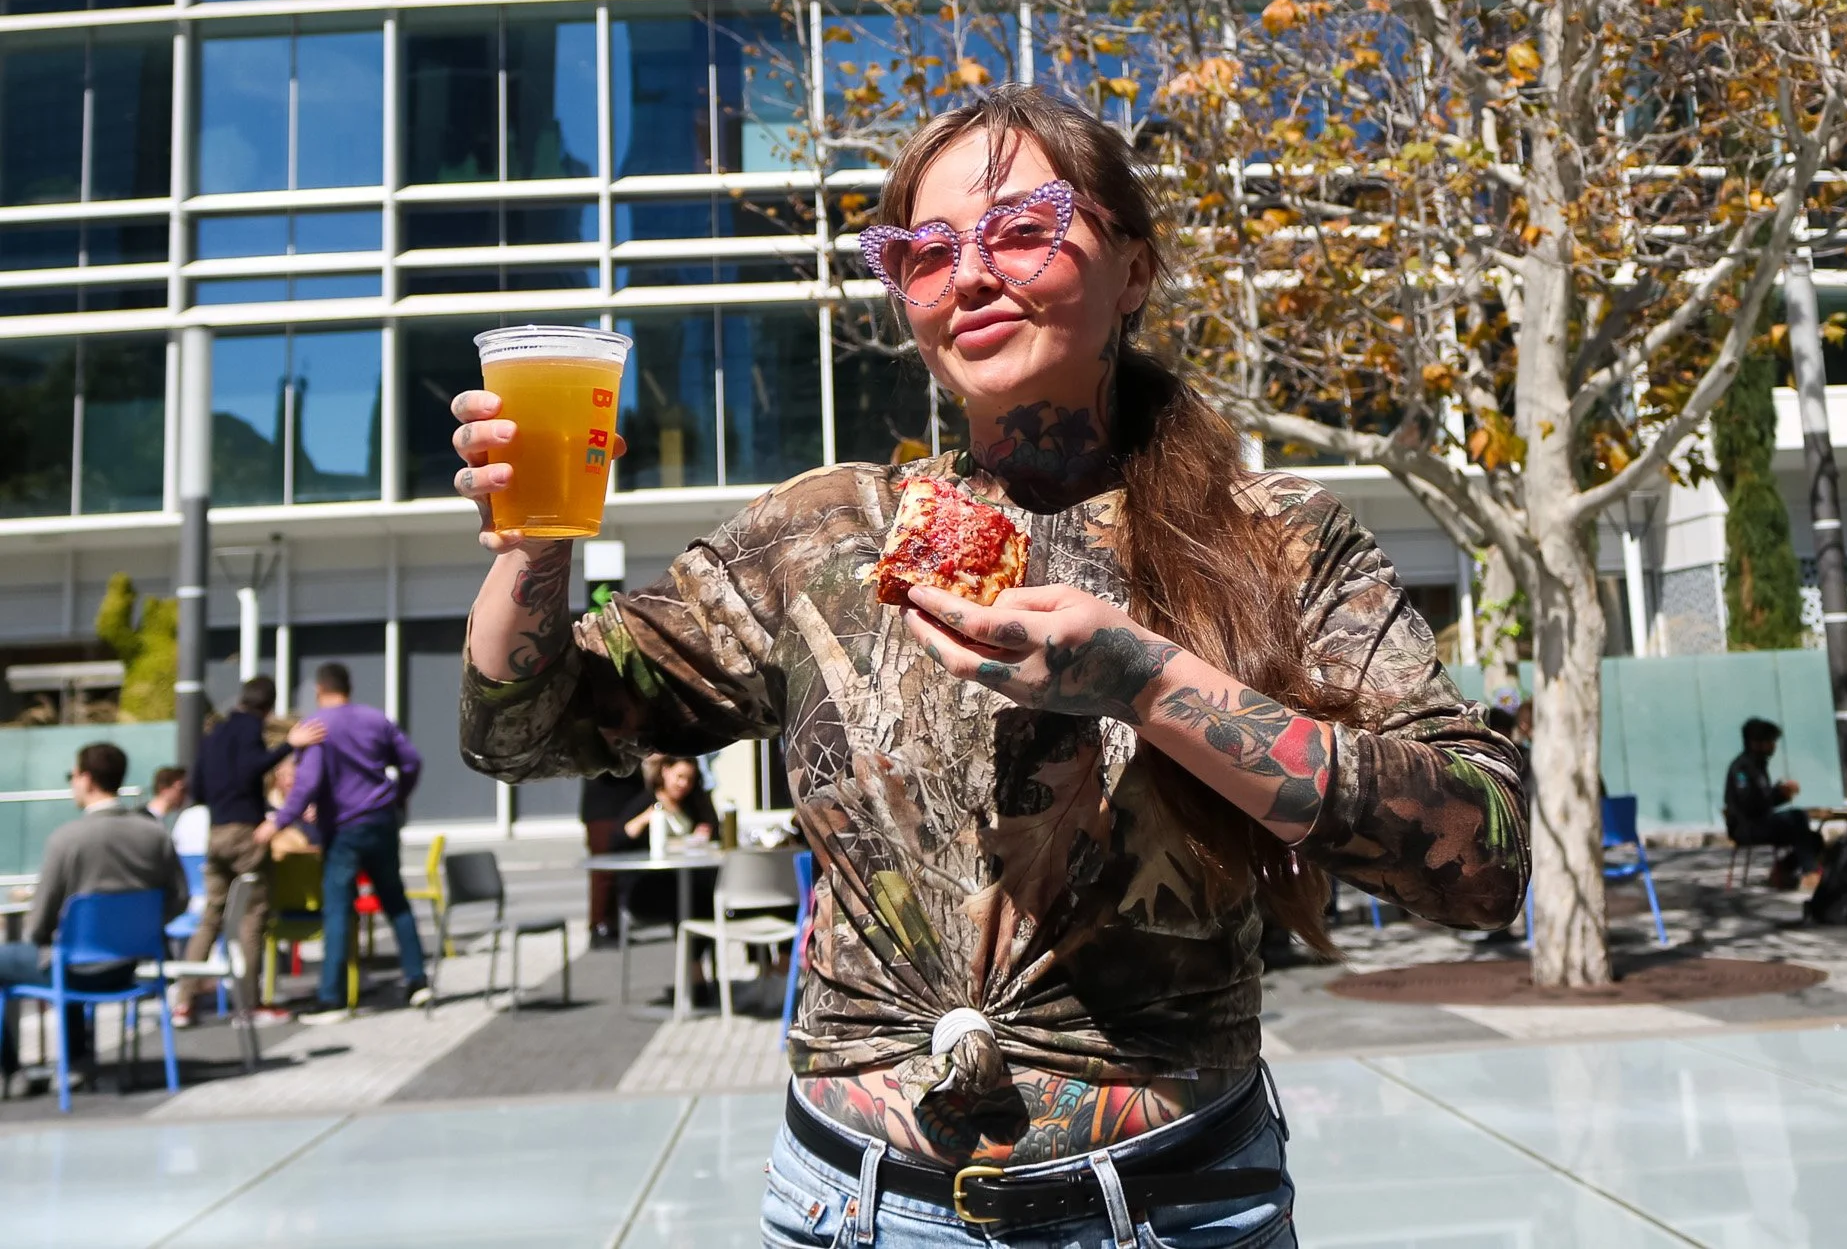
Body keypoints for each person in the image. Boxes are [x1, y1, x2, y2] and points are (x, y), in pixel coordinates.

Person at [453, 84, 1528, 1243]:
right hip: (851, 1209)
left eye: (1022, 230)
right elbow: (522, 728)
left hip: (1171, 1207)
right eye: (922, 252)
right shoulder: (827, 535)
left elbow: (1484, 859)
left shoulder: (1271, 538)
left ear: (1133, 271)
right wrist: (534, 554)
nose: (966, 277)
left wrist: (1149, 683)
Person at [0, 743, 184, 1085]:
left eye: (73, 776)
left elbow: (38, 924)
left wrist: (46, 937)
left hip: (74, 967)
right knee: (65, 951)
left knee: (51, 953)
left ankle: (10, 1073)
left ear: (86, 778)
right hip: (132, 964)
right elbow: (179, 897)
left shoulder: (67, 840)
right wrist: (140, 929)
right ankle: (78, 1061)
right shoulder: (154, 834)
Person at [254, 662, 428, 1021]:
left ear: (319, 689)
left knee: (337, 908)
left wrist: (281, 820)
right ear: (348, 686)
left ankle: (332, 997)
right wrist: (398, 797)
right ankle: (417, 980)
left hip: (344, 828)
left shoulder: (317, 727)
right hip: (380, 820)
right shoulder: (376, 719)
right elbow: (410, 762)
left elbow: (308, 783)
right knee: (395, 901)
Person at [177, 678, 324, 1025]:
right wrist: (289, 744)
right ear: (268, 708)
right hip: (246, 832)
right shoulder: (250, 732)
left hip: (216, 833)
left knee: (211, 917)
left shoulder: (214, 735)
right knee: (253, 917)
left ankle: (183, 1001)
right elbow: (251, 768)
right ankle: (249, 1004)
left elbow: (197, 787)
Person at [618, 755, 721, 1005]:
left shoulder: (692, 805)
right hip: (647, 889)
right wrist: (645, 819)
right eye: (680, 777)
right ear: (664, 772)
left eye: (689, 779)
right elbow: (618, 840)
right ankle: (696, 982)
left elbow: (714, 831)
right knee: (686, 903)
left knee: (703, 900)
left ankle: (696, 981)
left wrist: (704, 831)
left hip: (683, 884)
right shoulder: (646, 802)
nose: (684, 784)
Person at [1724, 717, 1822, 881]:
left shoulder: (1759, 766)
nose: (1773, 746)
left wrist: (1780, 794)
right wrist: (1777, 793)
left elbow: (1764, 801)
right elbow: (1750, 805)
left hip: (1761, 822)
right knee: (1797, 817)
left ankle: (1782, 870)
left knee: (1814, 839)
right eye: (1770, 741)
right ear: (1755, 743)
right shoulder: (1742, 769)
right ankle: (1810, 873)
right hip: (1746, 827)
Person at [579, 767, 645, 949]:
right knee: (604, 872)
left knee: (618, 874)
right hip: (605, 809)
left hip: (625, 804)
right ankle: (599, 926)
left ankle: (613, 925)